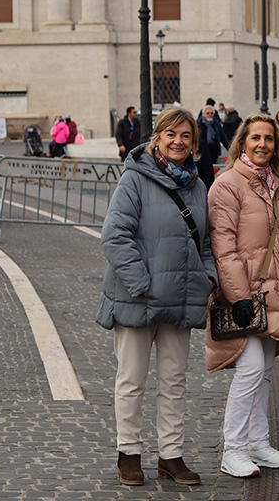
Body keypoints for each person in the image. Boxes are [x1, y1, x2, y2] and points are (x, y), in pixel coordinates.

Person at [97, 108, 217, 487]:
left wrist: (208, 279)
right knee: (131, 380)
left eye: (186, 135)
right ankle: (128, 453)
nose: (178, 141)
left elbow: (205, 244)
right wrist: (143, 283)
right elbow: (115, 235)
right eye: (171, 134)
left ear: (194, 142)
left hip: (180, 298)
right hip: (138, 297)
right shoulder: (134, 179)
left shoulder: (198, 186)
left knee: (174, 380)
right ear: (157, 137)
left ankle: (171, 455)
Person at [206, 114, 279, 477]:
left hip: (268, 294)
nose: (262, 144)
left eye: (269, 139)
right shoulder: (228, 184)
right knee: (248, 370)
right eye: (255, 137)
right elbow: (223, 246)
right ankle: (233, 448)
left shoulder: (272, 184)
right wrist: (239, 295)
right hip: (243, 296)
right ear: (241, 143)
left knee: (262, 371)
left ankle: (258, 443)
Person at [197, 104, 230, 189]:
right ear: (203, 114)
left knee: (211, 171)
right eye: (208, 113)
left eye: (211, 113)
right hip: (202, 152)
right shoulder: (198, 123)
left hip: (213, 151)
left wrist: (230, 149)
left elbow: (223, 137)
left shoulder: (216, 123)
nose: (210, 115)